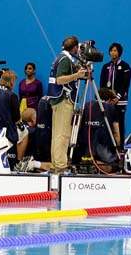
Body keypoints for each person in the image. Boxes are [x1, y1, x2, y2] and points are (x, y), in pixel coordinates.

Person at [46, 36, 88, 174]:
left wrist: (77, 72)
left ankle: (55, 163)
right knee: (63, 134)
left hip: (58, 100)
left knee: (57, 134)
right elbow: (59, 80)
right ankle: (61, 166)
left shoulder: (60, 57)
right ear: (75, 47)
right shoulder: (64, 60)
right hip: (63, 100)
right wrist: (76, 75)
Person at [74, 88, 118, 170]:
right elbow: (116, 132)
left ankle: (90, 164)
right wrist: (118, 147)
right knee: (115, 166)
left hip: (84, 147)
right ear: (109, 99)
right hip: (103, 147)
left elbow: (78, 126)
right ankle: (96, 166)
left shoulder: (86, 106)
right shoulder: (111, 108)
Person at [99, 42, 131, 146]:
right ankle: (108, 146)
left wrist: (117, 97)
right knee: (107, 123)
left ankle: (121, 147)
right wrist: (106, 97)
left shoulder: (125, 66)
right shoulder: (106, 67)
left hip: (120, 101)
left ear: (119, 52)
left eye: (115, 50)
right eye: (111, 50)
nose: (113, 53)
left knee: (120, 123)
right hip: (108, 101)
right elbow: (102, 84)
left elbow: (125, 84)